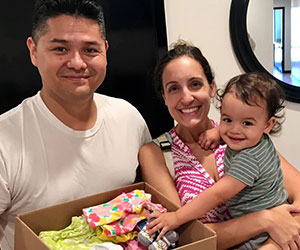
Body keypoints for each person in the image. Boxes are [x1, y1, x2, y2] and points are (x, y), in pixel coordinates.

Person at [0, 0, 151, 249]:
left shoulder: (128, 118)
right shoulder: (6, 139)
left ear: (105, 51)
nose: (78, 63)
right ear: (34, 51)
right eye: (60, 49)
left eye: (90, 50)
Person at [138, 40, 300, 250]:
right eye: (174, 88)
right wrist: (266, 219)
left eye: (195, 84)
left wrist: (274, 242)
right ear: (164, 97)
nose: (186, 97)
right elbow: (186, 236)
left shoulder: (242, 137)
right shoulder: (155, 153)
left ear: (211, 87)